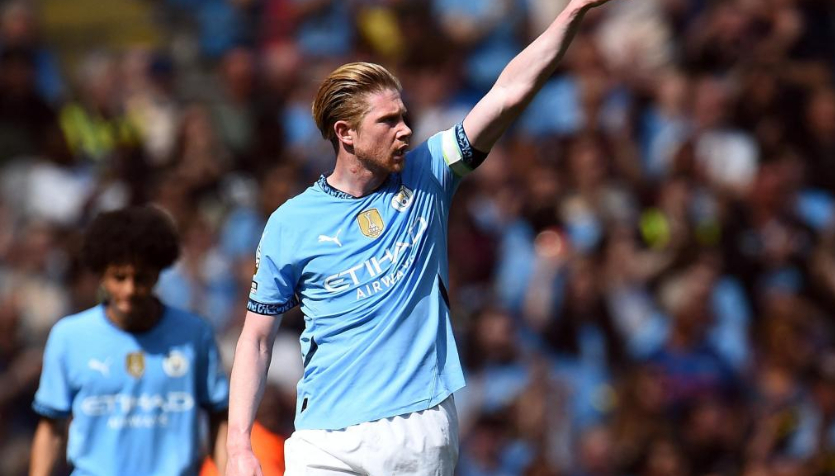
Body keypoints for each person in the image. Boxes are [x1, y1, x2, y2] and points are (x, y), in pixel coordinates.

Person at [226, 0, 619, 474]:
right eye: (388, 121)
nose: (406, 130)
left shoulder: (430, 172)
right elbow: (256, 340)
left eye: (404, 116)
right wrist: (238, 446)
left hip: (416, 427)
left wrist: (572, 11)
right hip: (323, 438)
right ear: (345, 134)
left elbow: (508, 93)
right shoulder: (290, 222)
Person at [30, 206, 229, 476]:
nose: (130, 289)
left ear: (158, 273)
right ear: (101, 274)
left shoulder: (194, 335)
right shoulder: (69, 337)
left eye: (141, 278)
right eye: (119, 277)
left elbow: (219, 418)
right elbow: (51, 428)